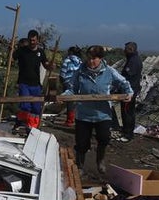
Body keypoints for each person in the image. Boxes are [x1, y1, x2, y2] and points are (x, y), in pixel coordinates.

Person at [61, 45, 131, 177]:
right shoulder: (80, 71)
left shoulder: (109, 71)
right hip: (83, 114)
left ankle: (100, 160)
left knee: (104, 138)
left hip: (102, 114)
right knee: (81, 142)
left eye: (94, 58)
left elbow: (124, 83)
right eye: (89, 58)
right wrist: (65, 95)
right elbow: (72, 88)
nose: (91, 61)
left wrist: (129, 93)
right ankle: (80, 166)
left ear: (100, 59)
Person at [12, 30, 49, 128]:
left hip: (36, 84)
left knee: (36, 108)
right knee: (25, 105)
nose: (32, 42)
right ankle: (22, 122)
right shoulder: (22, 50)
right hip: (24, 83)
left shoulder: (40, 52)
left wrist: (50, 66)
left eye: (34, 40)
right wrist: (10, 51)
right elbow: (12, 58)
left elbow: (46, 64)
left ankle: (33, 126)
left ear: (37, 40)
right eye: (30, 40)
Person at [119, 41, 143, 141]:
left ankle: (127, 134)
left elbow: (128, 76)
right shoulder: (133, 59)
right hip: (131, 89)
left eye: (126, 49)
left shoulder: (133, 61)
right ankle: (127, 131)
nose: (124, 51)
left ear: (130, 49)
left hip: (129, 91)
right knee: (129, 112)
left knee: (127, 112)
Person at [59, 46, 82, 127]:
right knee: (76, 101)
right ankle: (75, 118)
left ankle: (70, 120)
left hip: (68, 82)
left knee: (69, 102)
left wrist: (62, 81)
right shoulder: (80, 62)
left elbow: (62, 73)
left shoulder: (67, 60)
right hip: (77, 83)